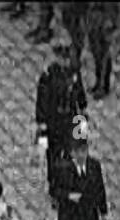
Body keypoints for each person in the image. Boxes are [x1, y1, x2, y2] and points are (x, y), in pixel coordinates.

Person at [35, 36, 88, 192]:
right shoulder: (49, 75)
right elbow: (42, 100)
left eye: (66, 57)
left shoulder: (73, 71)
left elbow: (79, 90)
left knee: (73, 150)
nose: (65, 61)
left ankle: (71, 181)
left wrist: (83, 108)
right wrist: (42, 123)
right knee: (54, 155)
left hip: (72, 118)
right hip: (54, 120)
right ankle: (55, 186)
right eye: (62, 57)